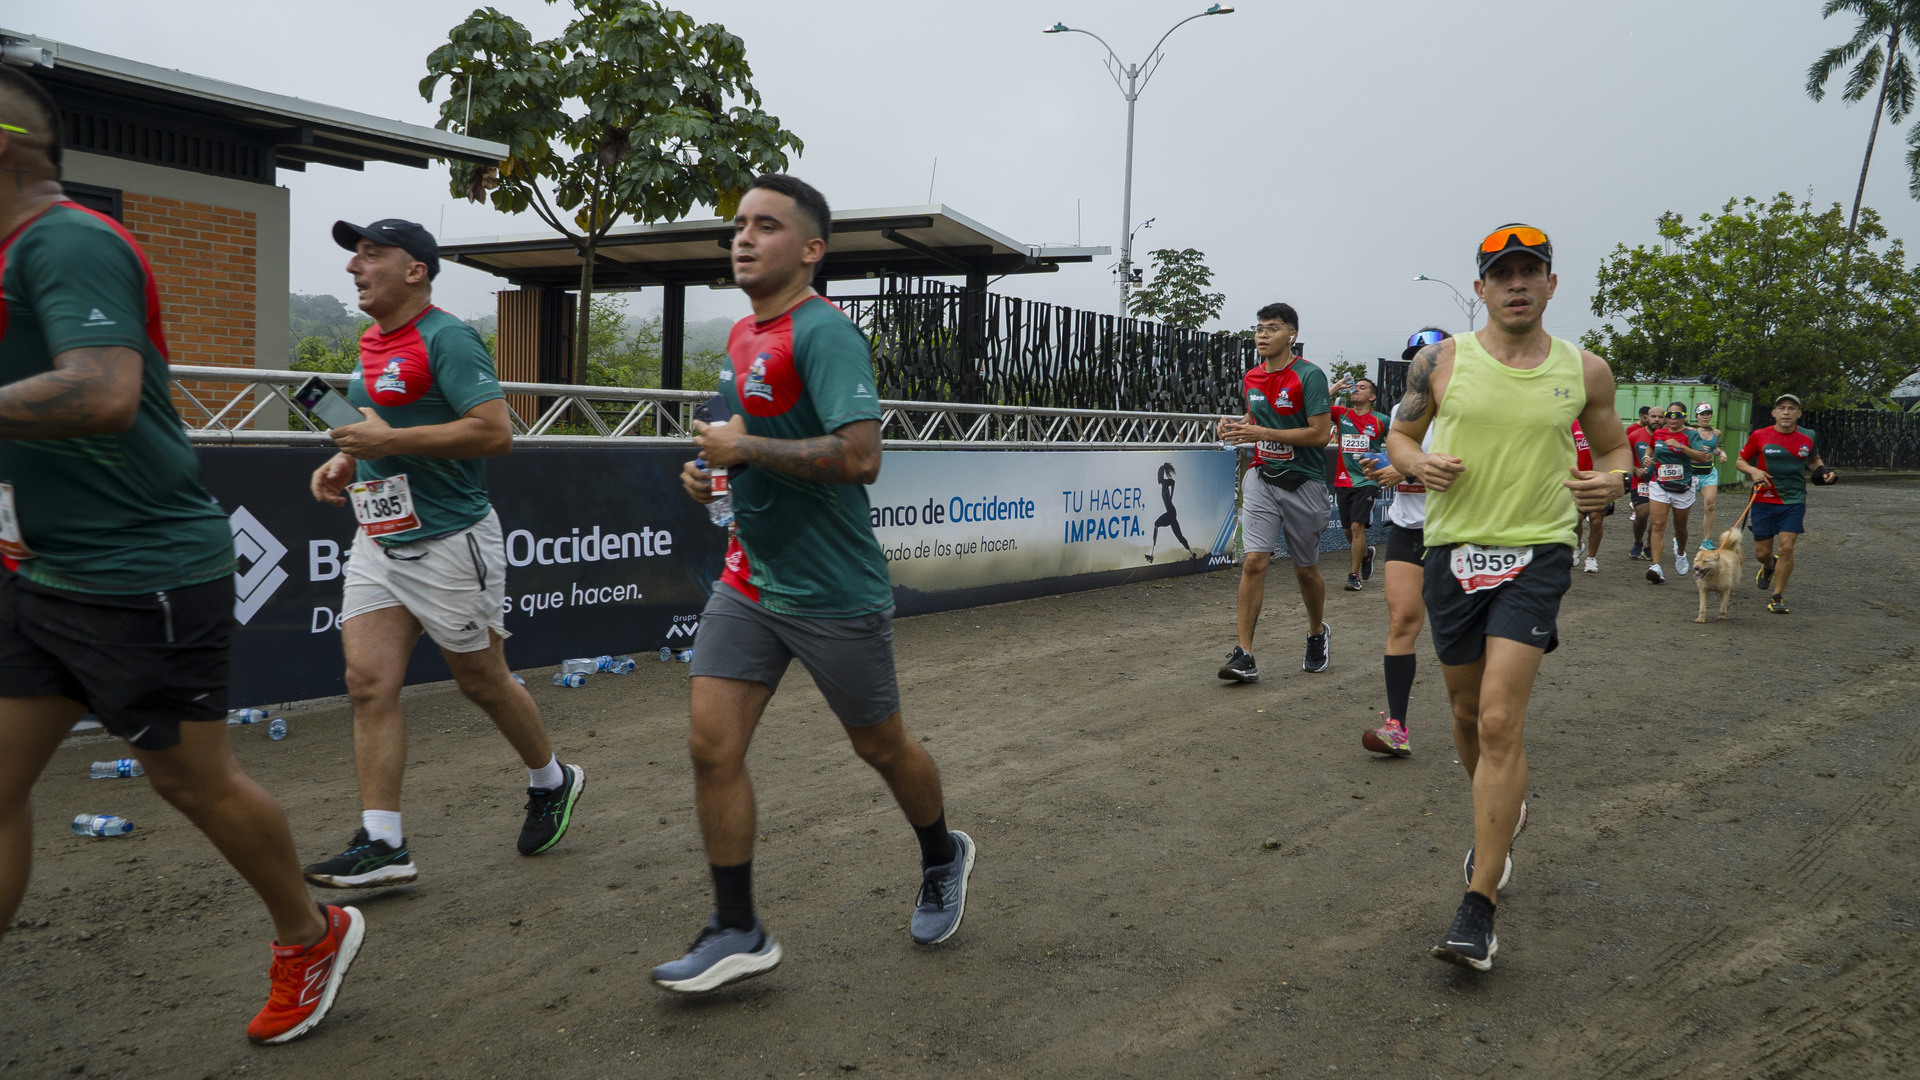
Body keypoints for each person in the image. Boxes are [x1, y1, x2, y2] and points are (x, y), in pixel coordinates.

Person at [0, 67, 363, 1045]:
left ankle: (312, 931)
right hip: (44, 569)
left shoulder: (68, 240)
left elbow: (102, 389)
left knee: (191, 781)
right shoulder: (12, 257)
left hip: (143, 573)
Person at [654, 174, 972, 993]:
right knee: (710, 746)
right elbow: (746, 442)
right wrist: (711, 474)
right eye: (739, 224)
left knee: (880, 746)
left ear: (811, 250)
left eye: (767, 225)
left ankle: (943, 853)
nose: (744, 237)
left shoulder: (825, 334)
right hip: (749, 581)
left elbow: (861, 458)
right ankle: (737, 928)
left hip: (832, 589)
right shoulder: (742, 335)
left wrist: (745, 451)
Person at [302, 218, 584, 889]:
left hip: (451, 540)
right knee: (367, 682)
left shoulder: (448, 337)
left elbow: (494, 434)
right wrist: (348, 459)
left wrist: (388, 444)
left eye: (371, 254)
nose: (354, 267)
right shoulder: (371, 341)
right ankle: (384, 842)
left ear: (415, 270)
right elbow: (379, 427)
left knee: (481, 680)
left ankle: (552, 779)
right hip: (378, 537)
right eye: (354, 256)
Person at [1385, 224, 1630, 971]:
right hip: (1452, 552)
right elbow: (1399, 437)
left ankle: (1479, 905)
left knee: (1498, 718)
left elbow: (1616, 448)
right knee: (1466, 715)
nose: (1516, 284)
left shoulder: (1585, 369)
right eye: (1502, 273)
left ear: (1551, 284)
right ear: (1481, 288)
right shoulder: (1440, 362)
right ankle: (1503, 809)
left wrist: (1612, 481)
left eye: (1530, 272)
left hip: (1538, 552)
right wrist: (1417, 463)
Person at [1216, 304, 1334, 682]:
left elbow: (1320, 434)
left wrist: (1261, 433)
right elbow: (1255, 420)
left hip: (1305, 482)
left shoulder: (1309, 376)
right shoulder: (1251, 377)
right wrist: (1235, 428)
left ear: (1291, 336)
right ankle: (1244, 654)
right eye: (1259, 328)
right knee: (1254, 561)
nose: (1262, 335)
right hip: (1262, 476)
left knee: (1305, 570)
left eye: (1272, 328)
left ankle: (1316, 632)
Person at [1359, 328, 1449, 757]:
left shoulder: (1466, 412)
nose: (1423, 364)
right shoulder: (1401, 410)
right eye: (1416, 357)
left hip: (1458, 534)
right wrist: (1380, 464)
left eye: (1430, 356)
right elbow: (1395, 456)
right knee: (1401, 622)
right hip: (1409, 529)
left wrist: (1408, 469)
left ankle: (1486, 718)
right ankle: (1397, 727)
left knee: (1460, 632)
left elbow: (1474, 472)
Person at [1736, 393, 1837, 614]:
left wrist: (1823, 471)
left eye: (1792, 408)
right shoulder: (1759, 435)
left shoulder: (1808, 436)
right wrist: (1753, 470)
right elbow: (1740, 461)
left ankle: (1777, 596)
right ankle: (1769, 565)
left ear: (1799, 413)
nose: (1786, 412)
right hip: (1764, 498)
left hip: (1794, 499)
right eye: (1782, 408)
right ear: (1774, 413)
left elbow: (1813, 459)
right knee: (1762, 553)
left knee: (1786, 548)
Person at [1329, 375, 1391, 591]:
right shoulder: (1342, 414)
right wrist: (1337, 386)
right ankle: (1366, 554)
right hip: (1343, 480)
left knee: (1357, 526)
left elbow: (1399, 442)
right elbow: (1315, 405)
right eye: (1355, 387)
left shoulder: (1382, 420)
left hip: (1367, 481)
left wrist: (1387, 466)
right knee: (1348, 530)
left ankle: (1353, 576)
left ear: (1372, 397)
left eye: (1362, 388)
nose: (1355, 389)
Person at [1642, 402, 1713, 584]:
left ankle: (1680, 552)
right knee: (1658, 524)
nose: (1673, 418)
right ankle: (1656, 567)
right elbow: (1651, 447)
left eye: (1677, 415)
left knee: (1680, 527)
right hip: (1659, 483)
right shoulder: (1659, 433)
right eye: (1670, 415)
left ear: (1684, 417)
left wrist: (1681, 447)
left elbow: (1702, 456)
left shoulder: (1691, 434)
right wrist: (1647, 457)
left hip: (1683, 485)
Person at [1570, 419, 1610, 572]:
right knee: (1576, 519)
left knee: (1596, 520)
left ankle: (1591, 558)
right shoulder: (1573, 423)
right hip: (1578, 478)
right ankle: (1577, 545)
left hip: (1599, 478)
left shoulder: (1603, 422)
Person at [1689, 402, 1727, 551]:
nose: (1705, 417)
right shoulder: (1690, 431)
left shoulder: (1716, 433)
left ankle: (1706, 540)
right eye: (1702, 414)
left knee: (1710, 505)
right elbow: (1682, 448)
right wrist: (1696, 449)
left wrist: (1721, 452)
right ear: (1696, 416)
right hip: (1691, 472)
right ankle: (1679, 537)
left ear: (1711, 415)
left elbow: (1713, 449)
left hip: (1708, 472)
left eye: (1707, 414)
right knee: (1684, 507)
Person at [1145, 461, 1197, 563]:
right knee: (1179, 536)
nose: (1157, 478)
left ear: (1161, 475)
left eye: (1158, 476)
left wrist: (1171, 496)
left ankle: (1152, 554)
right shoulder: (1164, 484)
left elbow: (1173, 482)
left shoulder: (1164, 484)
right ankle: (1192, 554)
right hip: (1172, 513)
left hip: (1170, 513)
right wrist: (1171, 496)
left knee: (1156, 524)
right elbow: (1172, 483)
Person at [1625, 406, 1657, 561]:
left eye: (1660, 417)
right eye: (1653, 416)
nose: (1656, 420)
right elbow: (1624, 458)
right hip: (1639, 481)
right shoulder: (1634, 435)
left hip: (1661, 482)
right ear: (1646, 418)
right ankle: (1638, 542)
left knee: (1657, 518)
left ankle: (1650, 546)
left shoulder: (1668, 436)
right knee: (1642, 513)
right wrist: (1635, 469)